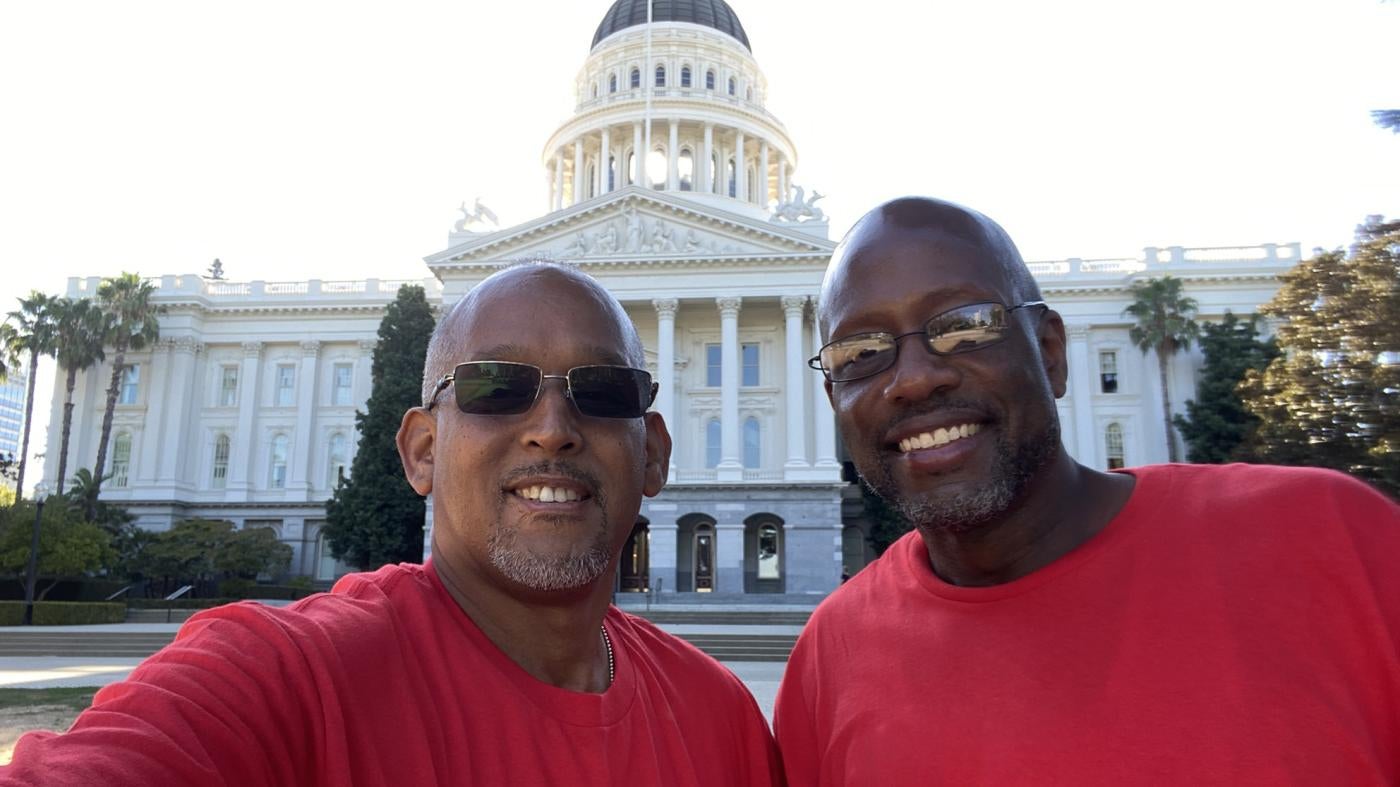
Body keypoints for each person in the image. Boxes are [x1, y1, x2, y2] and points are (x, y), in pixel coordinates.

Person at [3, 263, 782, 786]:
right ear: (421, 449)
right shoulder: (290, 677)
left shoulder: (724, 720)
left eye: (605, 390)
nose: (552, 427)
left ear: (653, 455)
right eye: (493, 386)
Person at [774, 196, 1400, 785]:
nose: (914, 379)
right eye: (861, 351)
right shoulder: (831, 657)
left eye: (964, 327)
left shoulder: (1329, 539)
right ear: (835, 398)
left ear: (1050, 352)